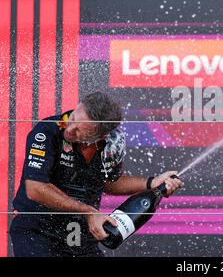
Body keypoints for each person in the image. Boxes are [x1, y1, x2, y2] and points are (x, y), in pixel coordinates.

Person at [10, 91, 183, 257]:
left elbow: (109, 182)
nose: (70, 129)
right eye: (73, 118)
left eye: (80, 130)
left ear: (101, 136)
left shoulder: (112, 144)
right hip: (37, 233)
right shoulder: (47, 131)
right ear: (78, 106)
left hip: (81, 237)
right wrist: (88, 211)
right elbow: (35, 188)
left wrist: (152, 183)